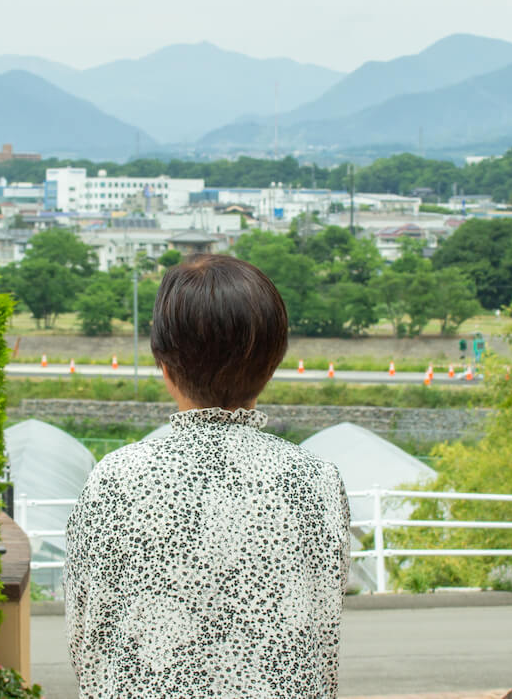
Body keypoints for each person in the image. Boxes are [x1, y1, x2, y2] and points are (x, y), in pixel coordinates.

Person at [64, 253, 350, 699]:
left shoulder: (115, 481)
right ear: (273, 362)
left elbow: (88, 638)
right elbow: (323, 633)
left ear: (163, 362)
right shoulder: (317, 482)